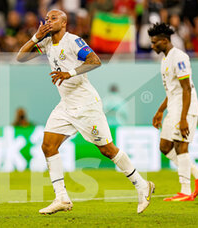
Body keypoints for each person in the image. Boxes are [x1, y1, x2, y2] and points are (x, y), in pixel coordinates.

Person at [17, 9, 154, 215]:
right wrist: (36, 36)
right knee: (48, 146)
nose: (48, 21)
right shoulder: (45, 43)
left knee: (107, 149)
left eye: (53, 18)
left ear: (64, 23)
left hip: (85, 104)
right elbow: (20, 57)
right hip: (65, 105)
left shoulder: (73, 41)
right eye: (46, 19)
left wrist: (69, 73)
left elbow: (95, 60)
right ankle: (61, 198)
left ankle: (142, 185)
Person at [148, 23, 198, 201]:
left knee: (180, 145)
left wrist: (184, 118)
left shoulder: (180, 58)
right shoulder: (165, 60)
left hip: (185, 108)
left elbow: (186, 89)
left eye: (155, 43)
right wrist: (160, 111)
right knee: (165, 146)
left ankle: (185, 190)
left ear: (164, 41)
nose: (152, 46)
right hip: (174, 107)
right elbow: (172, 91)